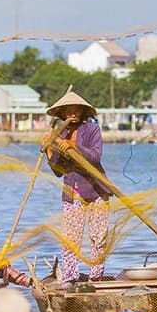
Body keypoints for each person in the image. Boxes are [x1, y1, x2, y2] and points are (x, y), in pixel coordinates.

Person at [43, 89, 109, 284]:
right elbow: (58, 170)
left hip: (96, 189)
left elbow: (95, 157)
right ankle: (71, 277)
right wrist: (49, 148)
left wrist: (74, 147)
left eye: (77, 110)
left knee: (98, 237)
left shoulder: (92, 130)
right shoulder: (59, 133)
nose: (73, 113)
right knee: (70, 238)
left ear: (82, 111)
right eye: (69, 110)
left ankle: (96, 277)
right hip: (73, 192)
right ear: (62, 113)